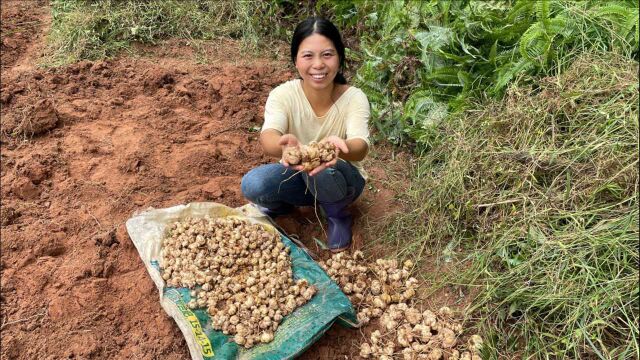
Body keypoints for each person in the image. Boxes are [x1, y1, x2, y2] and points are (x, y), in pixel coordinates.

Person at [241, 17, 370, 253]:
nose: (318, 64)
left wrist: (341, 148)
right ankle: (286, 210)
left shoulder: (354, 98)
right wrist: (284, 148)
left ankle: (338, 215)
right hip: (298, 174)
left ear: (339, 58)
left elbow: (361, 145)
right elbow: (269, 135)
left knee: (321, 167)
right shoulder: (283, 95)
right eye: (308, 56)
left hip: (343, 180)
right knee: (253, 184)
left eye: (327, 55)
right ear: (296, 60)